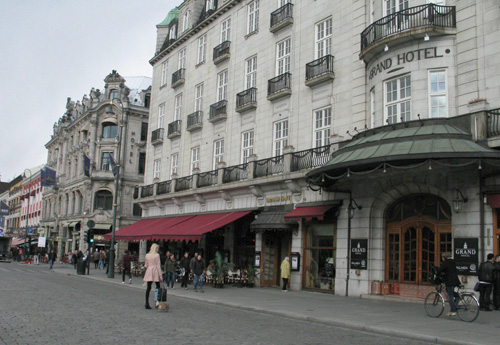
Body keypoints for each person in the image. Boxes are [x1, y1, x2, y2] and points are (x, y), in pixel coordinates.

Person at [438, 252, 461, 316]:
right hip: (455, 280)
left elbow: (440, 270)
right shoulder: (453, 262)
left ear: (444, 258)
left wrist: (437, 275)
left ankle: (453, 311)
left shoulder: (446, 263)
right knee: (451, 292)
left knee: (450, 296)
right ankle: (458, 297)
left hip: (449, 281)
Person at [143, 243, 162, 309]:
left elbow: (145, 265)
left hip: (149, 270)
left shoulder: (147, 255)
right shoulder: (157, 255)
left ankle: (146, 303)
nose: (158, 249)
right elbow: (158, 266)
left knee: (148, 287)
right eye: (157, 248)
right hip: (155, 270)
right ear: (155, 248)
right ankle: (157, 302)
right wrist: (160, 275)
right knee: (158, 287)